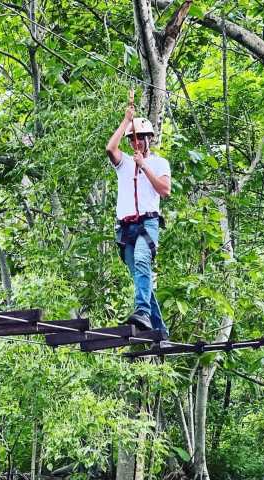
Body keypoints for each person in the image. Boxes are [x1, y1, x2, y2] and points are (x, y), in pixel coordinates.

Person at [105, 103, 171, 335]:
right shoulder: (124, 162)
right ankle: (159, 329)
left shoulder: (159, 163)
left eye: (141, 138)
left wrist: (144, 166)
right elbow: (110, 148)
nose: (137, 142)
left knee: (143, 261)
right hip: (125, 227)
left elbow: (164, 190)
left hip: (147, 224)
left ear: (149, 139)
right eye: (133, 139)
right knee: (139, 276)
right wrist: (126, 120)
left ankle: (142, 311)